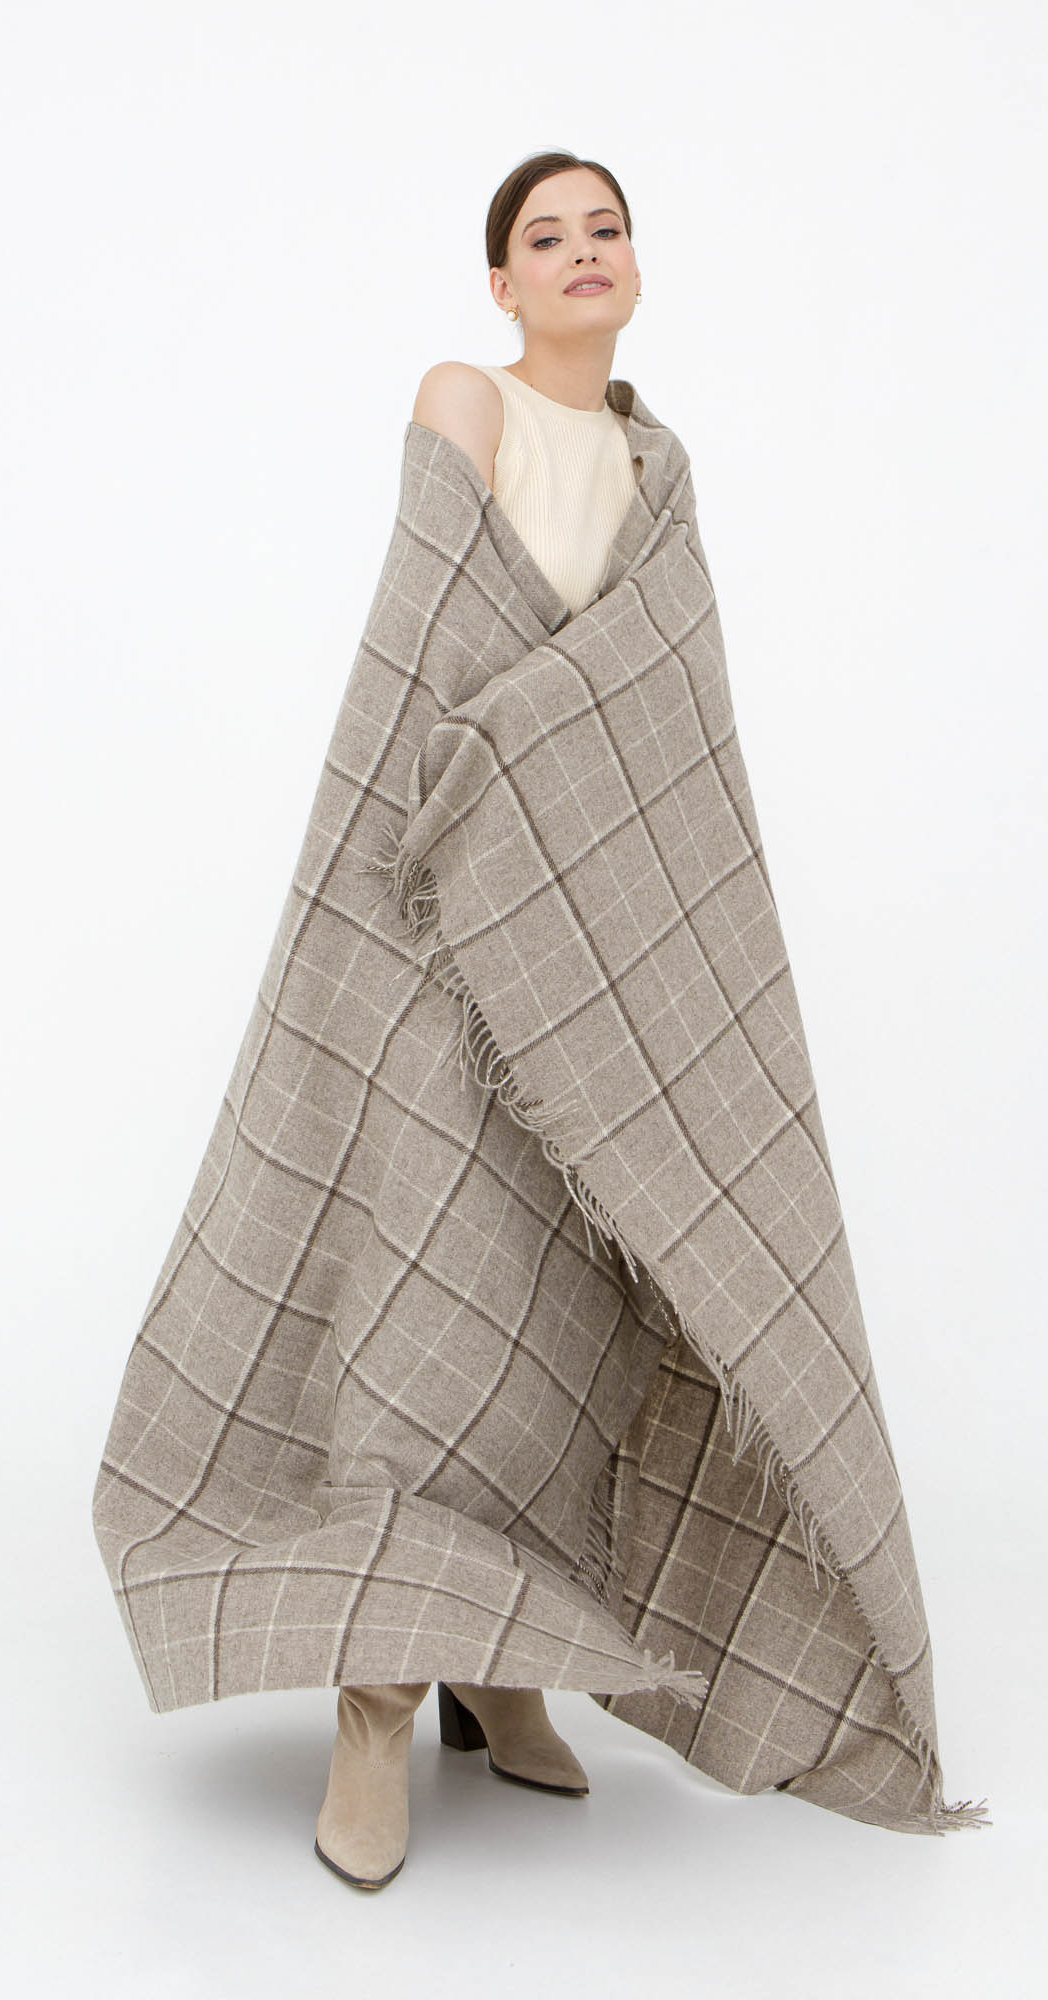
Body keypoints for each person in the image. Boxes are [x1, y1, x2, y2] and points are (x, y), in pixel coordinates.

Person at [313, 149, 646, 1889]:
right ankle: (376, 1700)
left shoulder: (661, 468)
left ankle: (503, 1662)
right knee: (427, 1291)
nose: (584, 253)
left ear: (636, 268)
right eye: (546, 236)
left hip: (594, 935)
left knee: (565, 1311)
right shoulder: (467, 399)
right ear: (503, 284)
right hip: (449, 907)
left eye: (607, 229)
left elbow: (663, 725)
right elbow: (421, 656)